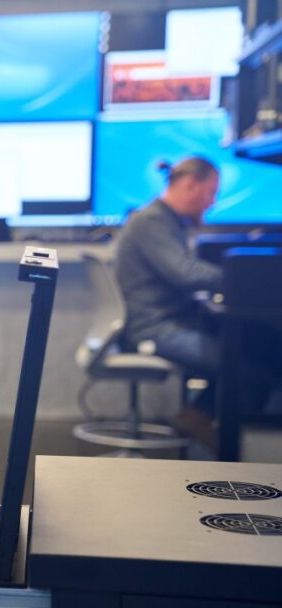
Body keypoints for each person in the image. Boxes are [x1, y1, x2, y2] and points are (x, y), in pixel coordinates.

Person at [114, 156, 223, 449]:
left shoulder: (165, 221)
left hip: (165, 324)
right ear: (190, 184)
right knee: (240, 363)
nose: (212, 202)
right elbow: (184, 272)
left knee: (248, 352)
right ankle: (208, 426)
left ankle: (199, 417)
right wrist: (238, 277)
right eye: (211, 192)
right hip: (154, 330)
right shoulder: (152, 221)